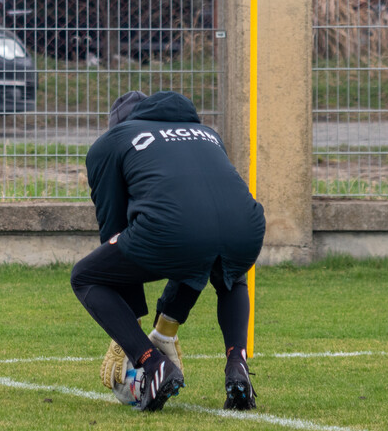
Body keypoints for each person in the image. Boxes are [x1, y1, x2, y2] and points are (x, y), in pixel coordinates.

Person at [71, 90, 266, 411]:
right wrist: (164, 326)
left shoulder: (111, 142)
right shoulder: (207, 134)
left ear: (118, 125)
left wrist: (128, 333)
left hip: (176, 230)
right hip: (247, 228)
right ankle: (237, 363)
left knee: (85, 277)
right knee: (225, 271)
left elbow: (113, 228)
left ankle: (153, 363)